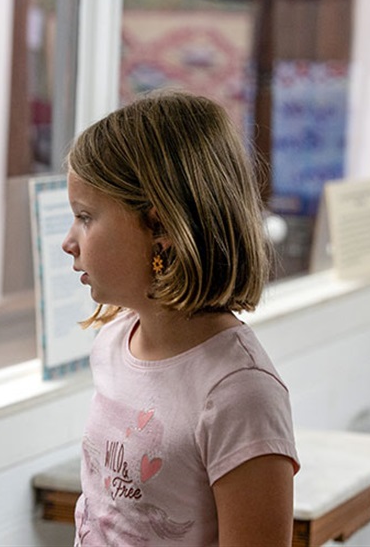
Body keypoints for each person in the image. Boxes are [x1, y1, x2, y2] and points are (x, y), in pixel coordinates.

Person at [61, 90, 298, 545]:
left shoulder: (239, 394)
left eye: (86, 217)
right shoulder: (113, 342)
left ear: (162, 228)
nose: (69, 242)